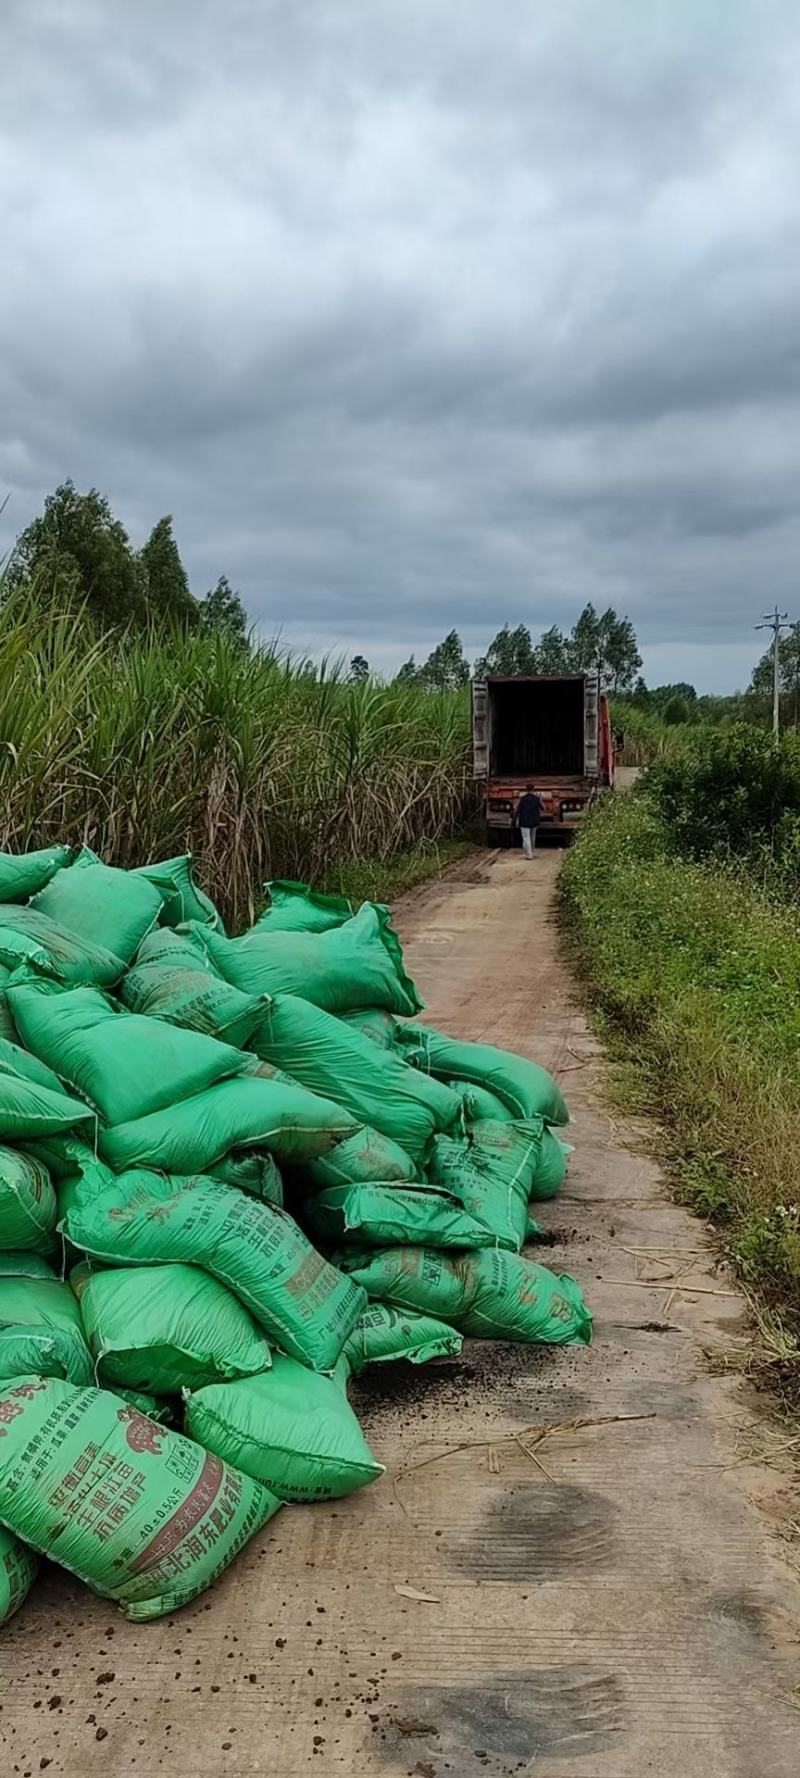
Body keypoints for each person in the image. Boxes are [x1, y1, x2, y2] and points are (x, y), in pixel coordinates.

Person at [514, 784, 542, 859]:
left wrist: (514, 819)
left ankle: (529, 855)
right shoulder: (536, 798)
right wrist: (540, 800)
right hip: (534, 820)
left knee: (526, 838)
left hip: (524, 821)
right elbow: (542, 808)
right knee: (532, 837)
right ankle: (531, 852)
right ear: (533, 789)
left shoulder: (523, 798)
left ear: (526, 790)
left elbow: (517, 810)